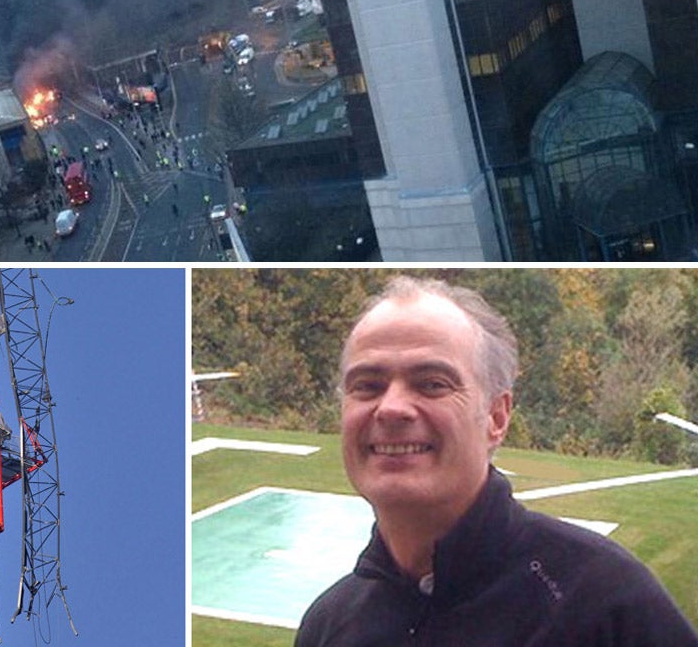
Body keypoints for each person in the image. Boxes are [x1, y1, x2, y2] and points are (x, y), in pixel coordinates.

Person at [295, 276, 698, 647]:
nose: (392, 408)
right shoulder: (328, 625)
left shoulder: (603, 605)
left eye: (432, 384)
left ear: (497, 417)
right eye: (367, 386)